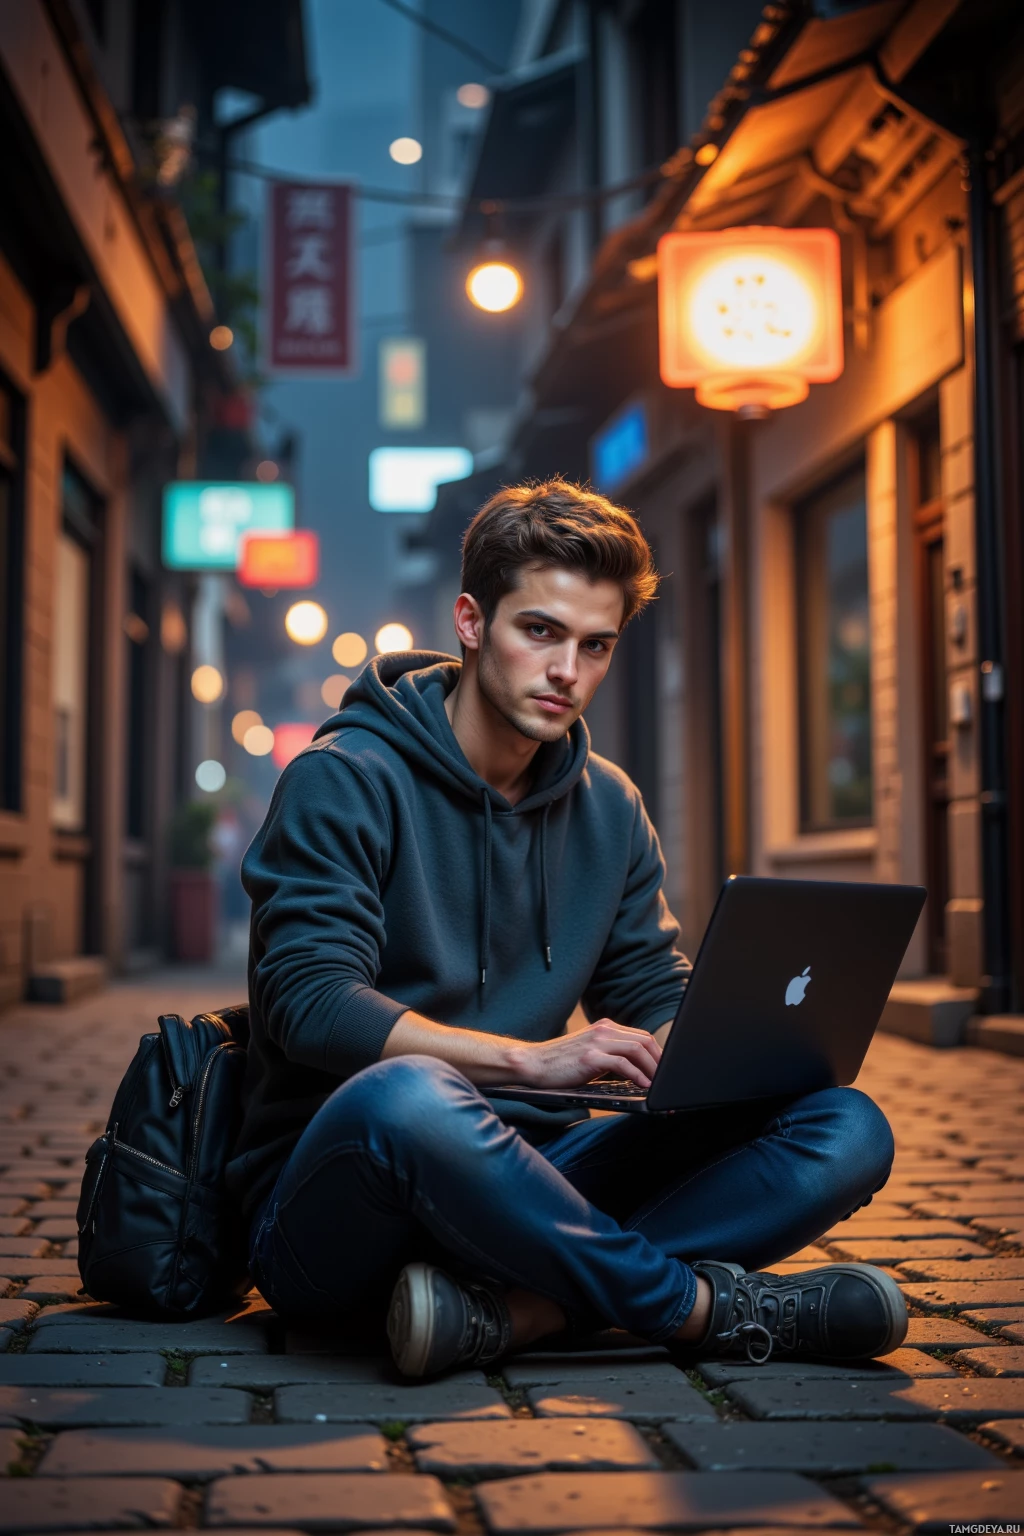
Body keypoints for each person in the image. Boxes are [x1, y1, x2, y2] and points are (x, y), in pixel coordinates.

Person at [228, 479, 905, 1378]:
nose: (567, 673)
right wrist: (530, 1061)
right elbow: (308, 1005)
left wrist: (710, 1053)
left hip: (538, 1187)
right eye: (539, 631)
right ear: (472, 622)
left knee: (845, 1125)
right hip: (343, 1203)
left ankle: (525, 1314)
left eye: (596, 646)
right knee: (413, 1097)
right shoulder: (344, 777)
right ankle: (699, 1311)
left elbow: (651, 986)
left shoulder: (609, 806)